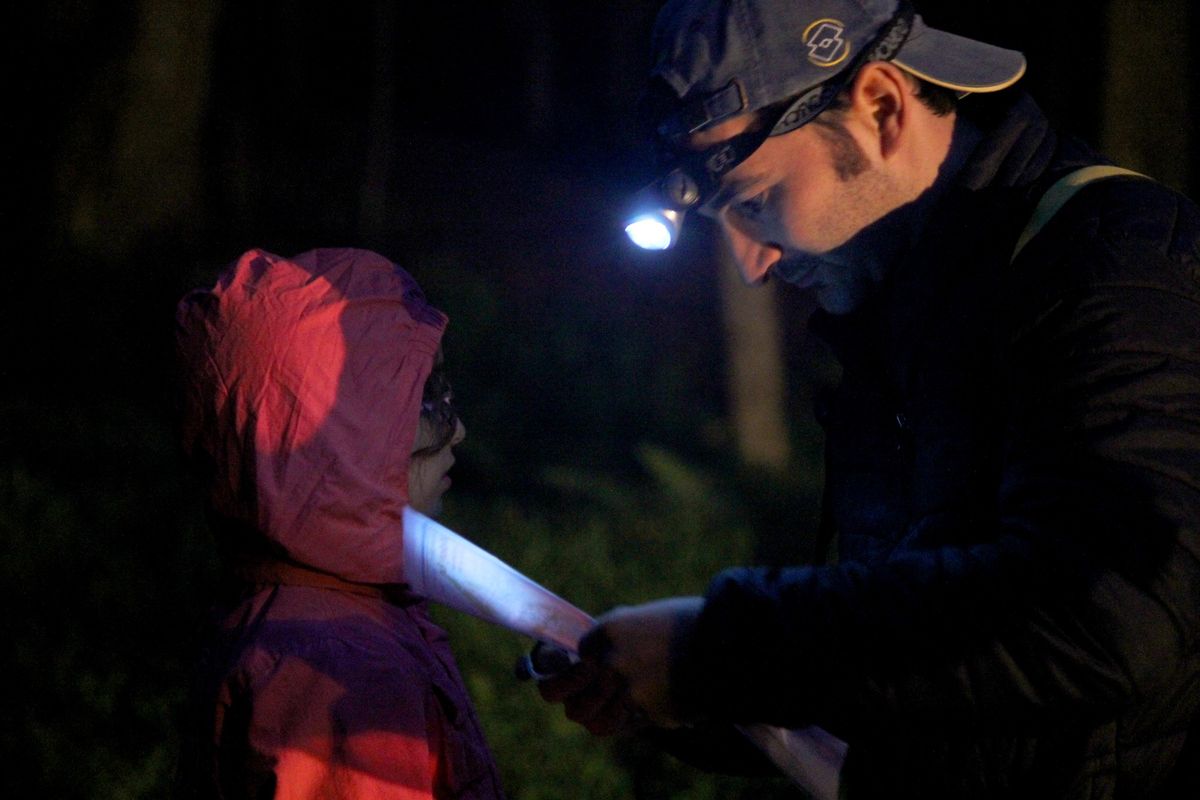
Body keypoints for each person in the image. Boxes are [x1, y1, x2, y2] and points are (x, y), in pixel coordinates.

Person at [540, 0, 1200, 796]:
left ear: (882, 107)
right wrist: (702, 697)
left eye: (753, 200)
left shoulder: (1112, 267)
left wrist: (719, 647)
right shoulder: (900, 315)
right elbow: (930, 668)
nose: (752, 264)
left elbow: (1108, 616)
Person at [173, 247, 505, 799]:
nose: (459, 432)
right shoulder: (338, 666)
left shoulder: (288, 615)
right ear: (343, 445)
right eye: (423, 403)